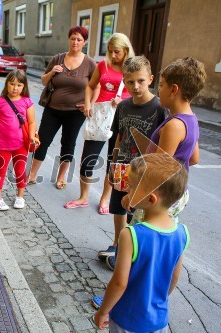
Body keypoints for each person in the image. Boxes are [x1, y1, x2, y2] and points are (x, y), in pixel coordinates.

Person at [93, 153, 190, 333]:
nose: (126, 191)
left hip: (127, 319)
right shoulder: (182, 233)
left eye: (130, 187)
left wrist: (103, 311)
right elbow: (174, 277)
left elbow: (119, 283)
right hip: (159, 319)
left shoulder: (131, 235)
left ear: (151, 199)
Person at [103, 56, 168, 270]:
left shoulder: (160, 108)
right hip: (123, 167)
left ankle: (133, 252)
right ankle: (117, 244)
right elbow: (118, 138)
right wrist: (112, 166)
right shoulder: (122, 106)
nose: (135, 86)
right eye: (130, 82)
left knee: (137, 213)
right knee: (118, 209)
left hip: (145, 172)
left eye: (140, 81)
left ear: (150, 79)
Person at [128, 57, 205, 225]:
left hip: (159, 197)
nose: (158, 90)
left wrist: (132, 195)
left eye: (162, 85)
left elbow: (157, 171)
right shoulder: (191, 119)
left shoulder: (174, 126)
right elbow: (194, 158)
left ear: (174, 89)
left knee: (142, 236)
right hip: (177, 194)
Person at [65, 33, 134, 220]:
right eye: (110, 51)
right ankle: (83, 197)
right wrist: (87, 103)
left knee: (113, 162)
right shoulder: (103, 65)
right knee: (88, 159)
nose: (113, 55)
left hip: (121, 119)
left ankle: (105, 199)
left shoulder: (132, 68)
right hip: (100, 117)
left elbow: (139, 93)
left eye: (117, 52)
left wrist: (125, 100)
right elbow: (90, 86)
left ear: (126, 50)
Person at [27, 26, 97, 189]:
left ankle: (61, 177)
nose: (75, 42)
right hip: (53, 109)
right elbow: (44, 81)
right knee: (42, 141)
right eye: (73, 38)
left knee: (68, 143)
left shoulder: (90, 63)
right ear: (68, 39)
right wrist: (52, 72)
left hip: (75, 113)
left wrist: (90, 104)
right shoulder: (58, 58)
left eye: (79, 39)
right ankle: (32, 174)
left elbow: (96, 86)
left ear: (84, 42)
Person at [0, 69, 37, 211]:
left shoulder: (27, 102)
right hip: (2, 144)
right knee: (0, 170)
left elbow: (32, 122)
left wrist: (32, 136)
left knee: (20, 171)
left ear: (24, 87)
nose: (15, 88)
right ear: (7, 84)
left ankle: (20, 197)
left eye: (19, 85)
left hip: (21, 144)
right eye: (12, 84)